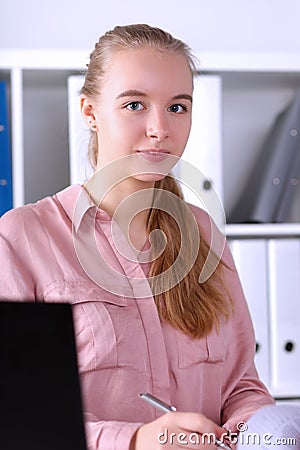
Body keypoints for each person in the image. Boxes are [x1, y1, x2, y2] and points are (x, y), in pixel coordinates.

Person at [0, 24, 274, 450]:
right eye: (134, 105)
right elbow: (15, 414)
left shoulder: (203, 233)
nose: (159, 129)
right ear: (90, 112)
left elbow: (241, 386)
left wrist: (261, 433)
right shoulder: (21, 238)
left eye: (178, 108)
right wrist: (135, 441)